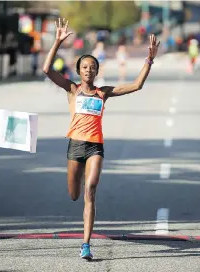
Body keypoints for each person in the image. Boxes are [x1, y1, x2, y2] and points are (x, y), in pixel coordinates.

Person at [43, 18, 160, 260]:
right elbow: (47, 70)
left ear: (97, 71)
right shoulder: (72, 89)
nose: (89, 70)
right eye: (85, 67)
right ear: (79, 71)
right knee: (74, 194)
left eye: (92, 67)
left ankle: (85, 244)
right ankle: (81, 214)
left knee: (91, 189)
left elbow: (136, 85)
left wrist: (149, 60)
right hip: (75, 145)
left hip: (95, 146)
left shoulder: (102, 93)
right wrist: (56, 42)